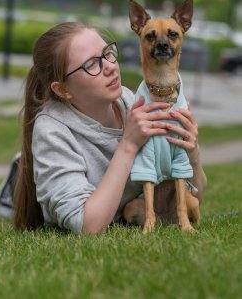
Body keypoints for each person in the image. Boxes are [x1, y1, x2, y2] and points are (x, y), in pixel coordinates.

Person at [14, 22, 207, 234]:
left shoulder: (130, 101)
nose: (110, 66)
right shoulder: (52, 131)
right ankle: (12, 183)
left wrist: (191, 152)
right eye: (91, 64)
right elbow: (88, 225)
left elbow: (193, 196)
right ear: (62, 89)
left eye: (107, 52)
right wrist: (129, 144)